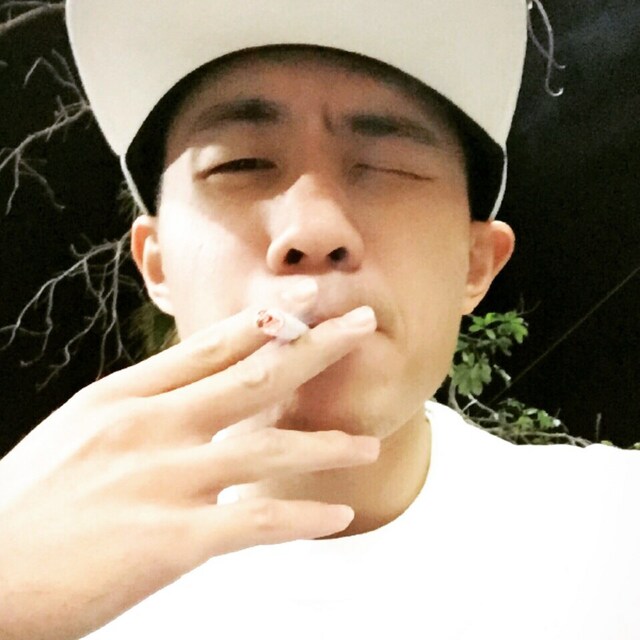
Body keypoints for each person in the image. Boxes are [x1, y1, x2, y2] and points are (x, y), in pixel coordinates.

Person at [0, 1, 638, 638]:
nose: (312, 231)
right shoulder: (37, 567)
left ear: (475, 265)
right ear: (157, 264)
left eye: (387, 167)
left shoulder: (616, 539)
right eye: (240, 164)